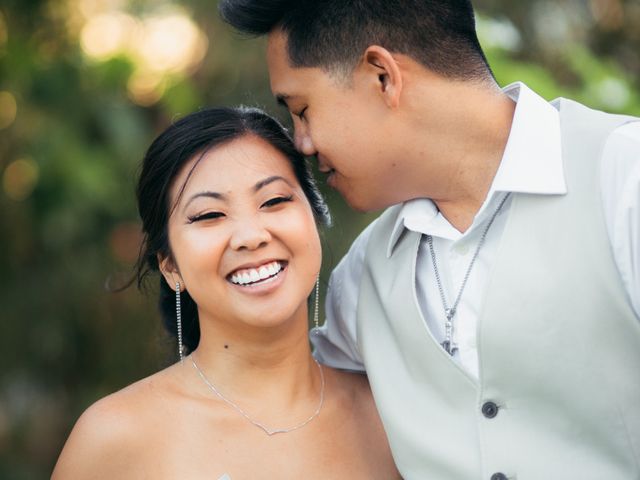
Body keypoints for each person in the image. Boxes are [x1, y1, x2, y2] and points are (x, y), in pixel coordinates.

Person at [219, 1, 640, 479]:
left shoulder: (625, 180)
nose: (302, 143)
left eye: (302, 110)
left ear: (382, 76)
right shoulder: (363, 277)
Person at [51, 107, 400, 479]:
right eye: (209, 215)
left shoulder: (391, 415)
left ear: (313, 219)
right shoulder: (115, 438)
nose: (251, 236)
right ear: (169, 265)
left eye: (273, 201)